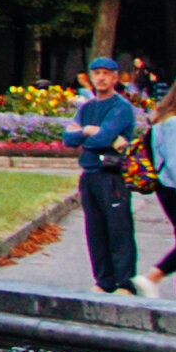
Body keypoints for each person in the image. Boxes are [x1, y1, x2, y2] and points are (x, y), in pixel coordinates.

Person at [63, 55, 144, 295]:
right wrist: (88, 131)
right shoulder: (87, 108)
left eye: (106, 73)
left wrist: (86, 133)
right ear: (91, 77)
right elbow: (67, 138)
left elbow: (103, 138)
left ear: (115, 78)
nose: (101, 77)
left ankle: (125, 282)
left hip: (112, 175)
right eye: (96, 73)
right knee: (95, 230)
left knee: (118, 228)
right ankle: (104, 280)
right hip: (89, 173)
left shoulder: (121, 108)